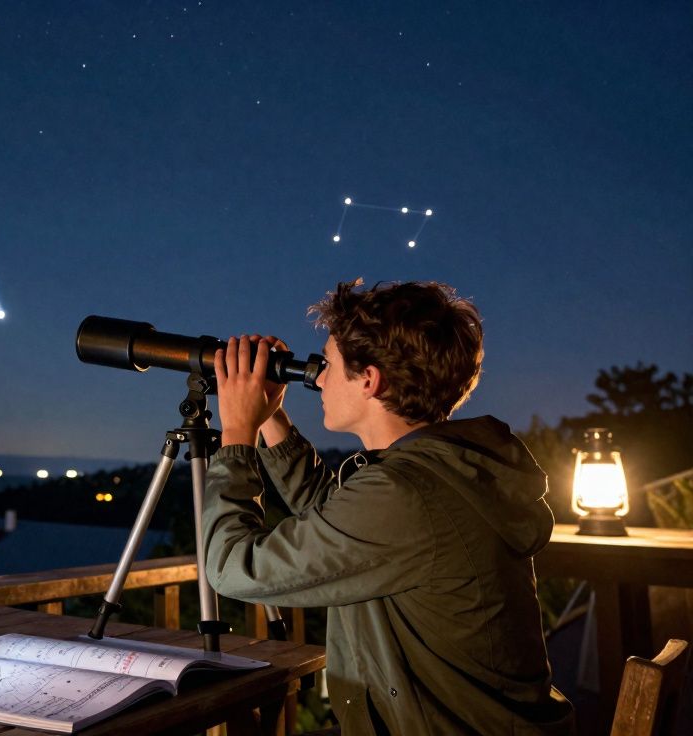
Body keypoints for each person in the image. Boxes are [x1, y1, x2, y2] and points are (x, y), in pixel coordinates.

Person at [203, 280, 575, 735]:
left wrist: (237, 431)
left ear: (369, 379)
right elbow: (332, 513)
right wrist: (270, 416)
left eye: (330, 365)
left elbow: (230, 567)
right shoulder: (441, 472)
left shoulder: (406, 494)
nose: (317, 377)